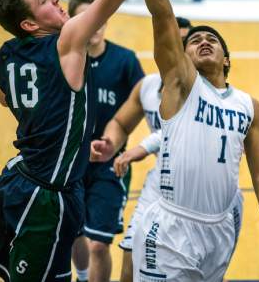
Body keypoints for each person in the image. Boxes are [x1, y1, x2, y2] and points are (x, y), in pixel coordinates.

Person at [0, 0, 153, 281]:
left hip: (24, 178)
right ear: (30, 24)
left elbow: (4, 99)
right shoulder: (66, 41)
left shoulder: (3, 56)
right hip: (44, 193)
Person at [122, 0, 259, 280]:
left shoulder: (248, 105)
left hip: (220, 229)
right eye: (194, 40)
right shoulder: (180, 84)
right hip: (170, 227)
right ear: (181, 56)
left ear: (226, 59)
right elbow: (162, 12)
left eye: (211, 39)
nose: (203, 42)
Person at [90, 20, 242, 282]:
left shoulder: (203, 91)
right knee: (130, 255)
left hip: (206, 189)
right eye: (183, 44)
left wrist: (142, 147)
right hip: (162, 182)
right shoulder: (148, 86)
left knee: (204, 269)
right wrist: (110, 143)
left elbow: (178, 128)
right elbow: (120, 122)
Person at [67, 0, 145, 282]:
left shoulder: (125, 60)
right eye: (87, 18)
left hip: (109, 164)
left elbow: (146, 103)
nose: (95, 24)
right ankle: (84, 277)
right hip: (70, 161)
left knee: (99, 243)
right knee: (74, 235)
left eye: (100, 18)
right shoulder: (63, 60)